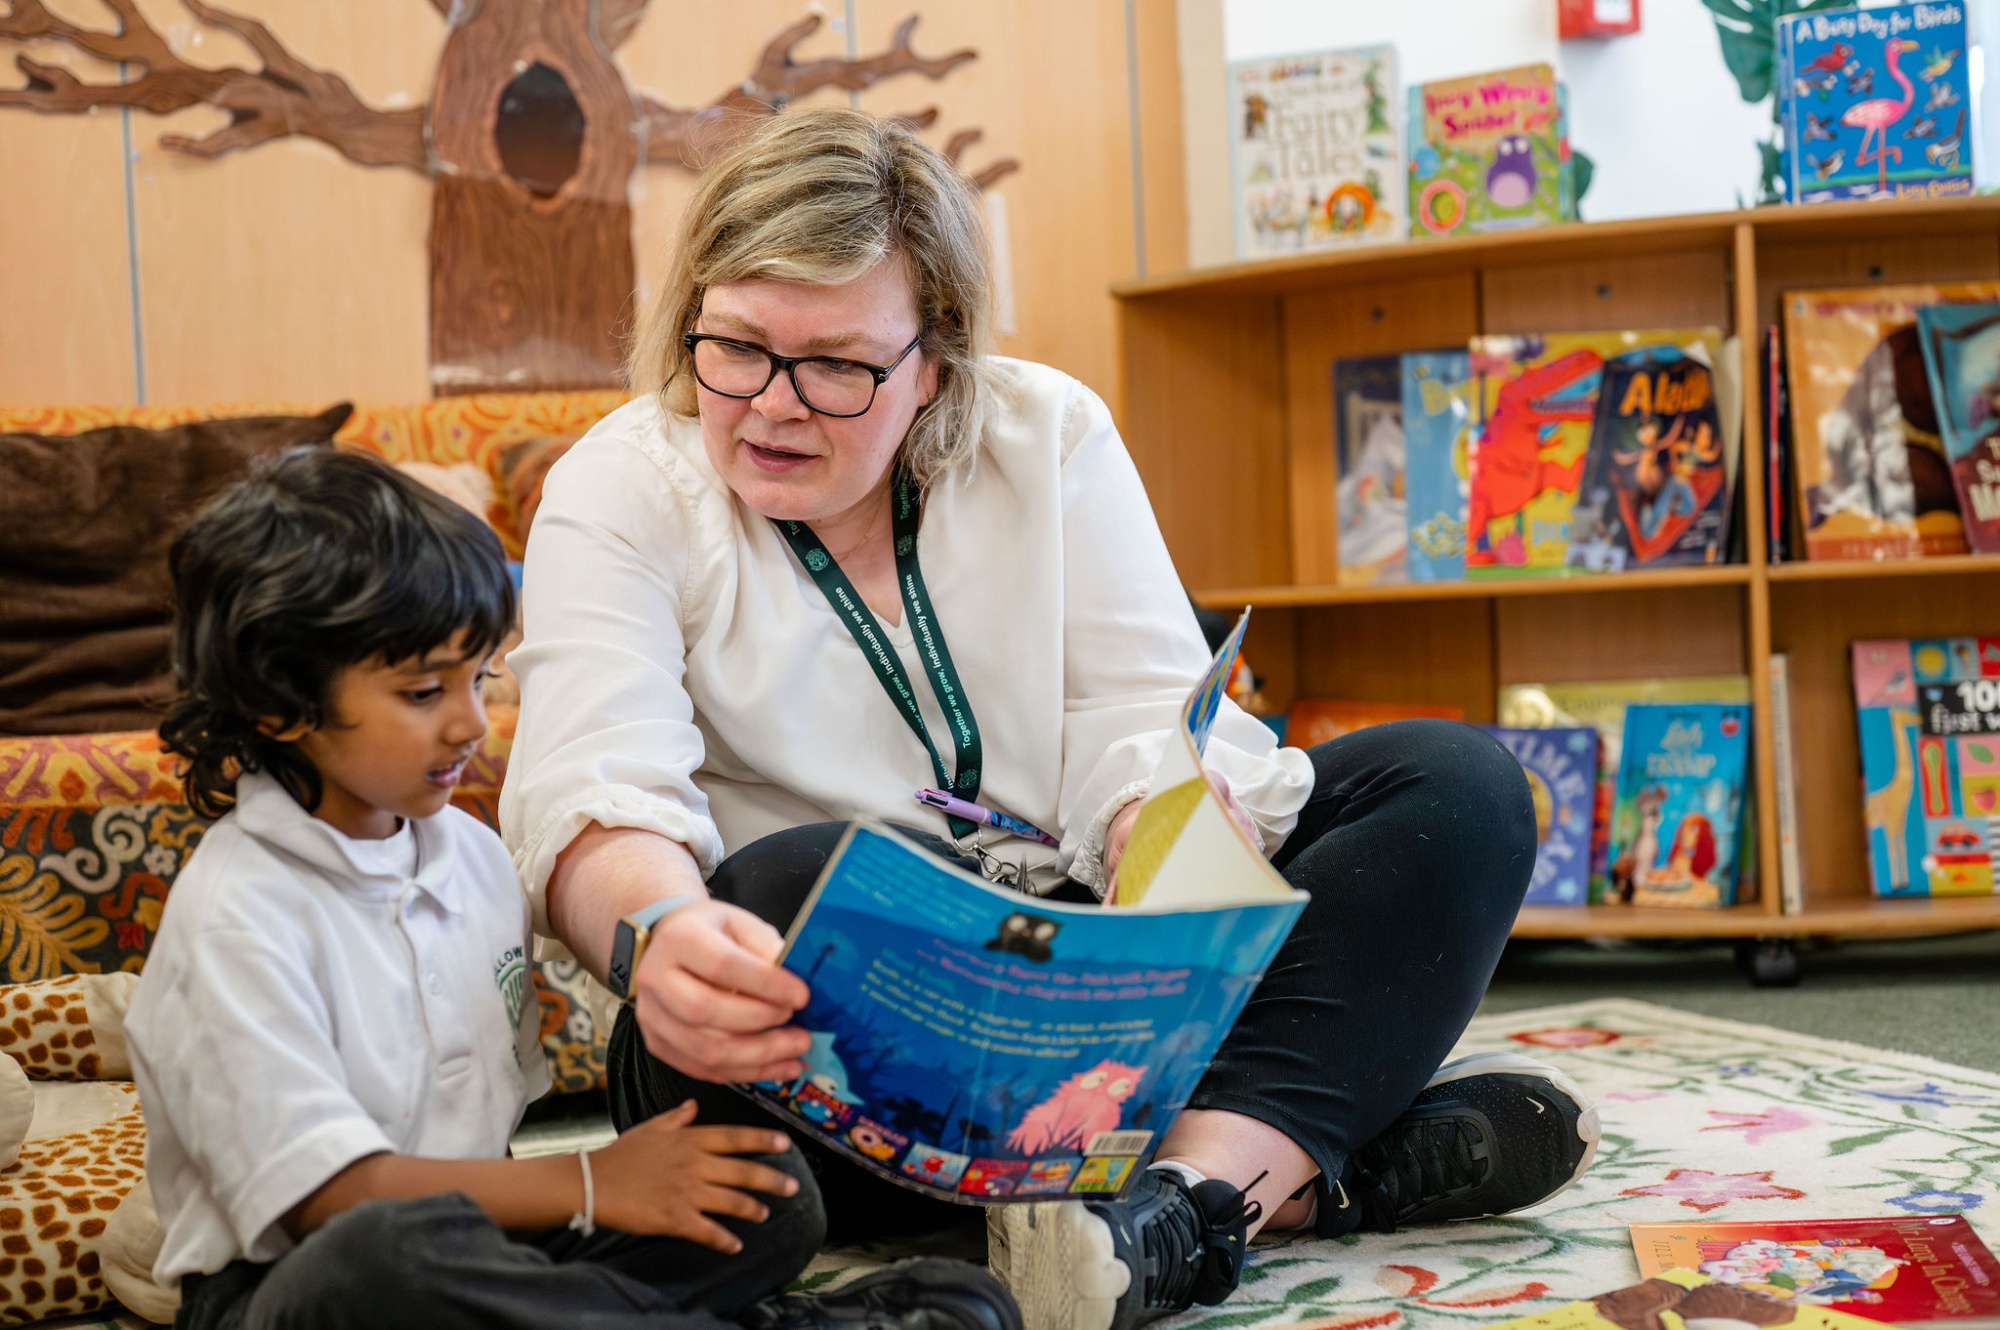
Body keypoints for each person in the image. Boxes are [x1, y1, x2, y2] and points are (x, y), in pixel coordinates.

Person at [502, 107, 1601, 1330]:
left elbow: (1140, 714)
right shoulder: (621, 485)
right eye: (737, 347)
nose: (772, 404)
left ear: (937, 360)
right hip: (794, 1030)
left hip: (1083, 970)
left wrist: (1159, 828)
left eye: (837, 365)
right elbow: (594, 794)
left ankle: (1171, 1209)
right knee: (807, 881)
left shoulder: (1048, 432)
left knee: (1454, 787)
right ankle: (1281, 1175)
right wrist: (663, 939)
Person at [132, 447, 1018, 1330]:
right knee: (381, 1261)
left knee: (766, 1190)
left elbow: (492, 1153)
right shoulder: (236, 918)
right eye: (421, 691)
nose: (471, 721)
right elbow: (327, 1201)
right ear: (282, 704)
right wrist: (593, 1181)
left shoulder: (472, 862)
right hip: (296, 1287)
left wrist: (607, 1197)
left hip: (479, 1249)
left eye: (479, 677)